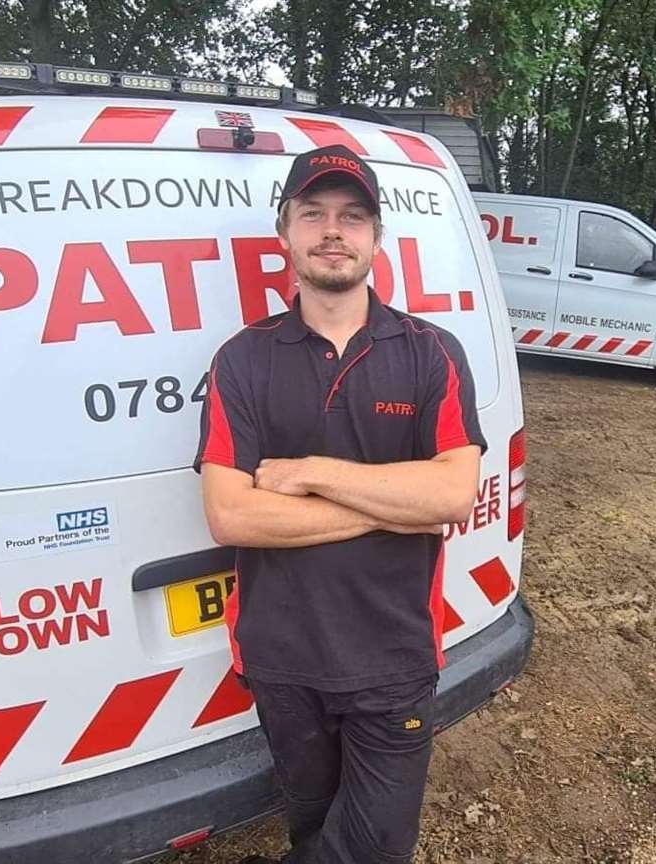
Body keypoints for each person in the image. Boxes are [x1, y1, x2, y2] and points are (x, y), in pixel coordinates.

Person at [194, 144, 487, 863]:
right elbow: (231, 515)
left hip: (391, 655)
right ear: (284, 232)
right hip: (282, 657)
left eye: (353, 217)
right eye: (314, 214)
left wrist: (314, 472)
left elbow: (452, 491)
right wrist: (393, 502)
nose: (334, 231)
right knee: (312, 827)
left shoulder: (430, 352)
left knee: (374, 848)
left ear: (376, 238)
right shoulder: (243, 359)